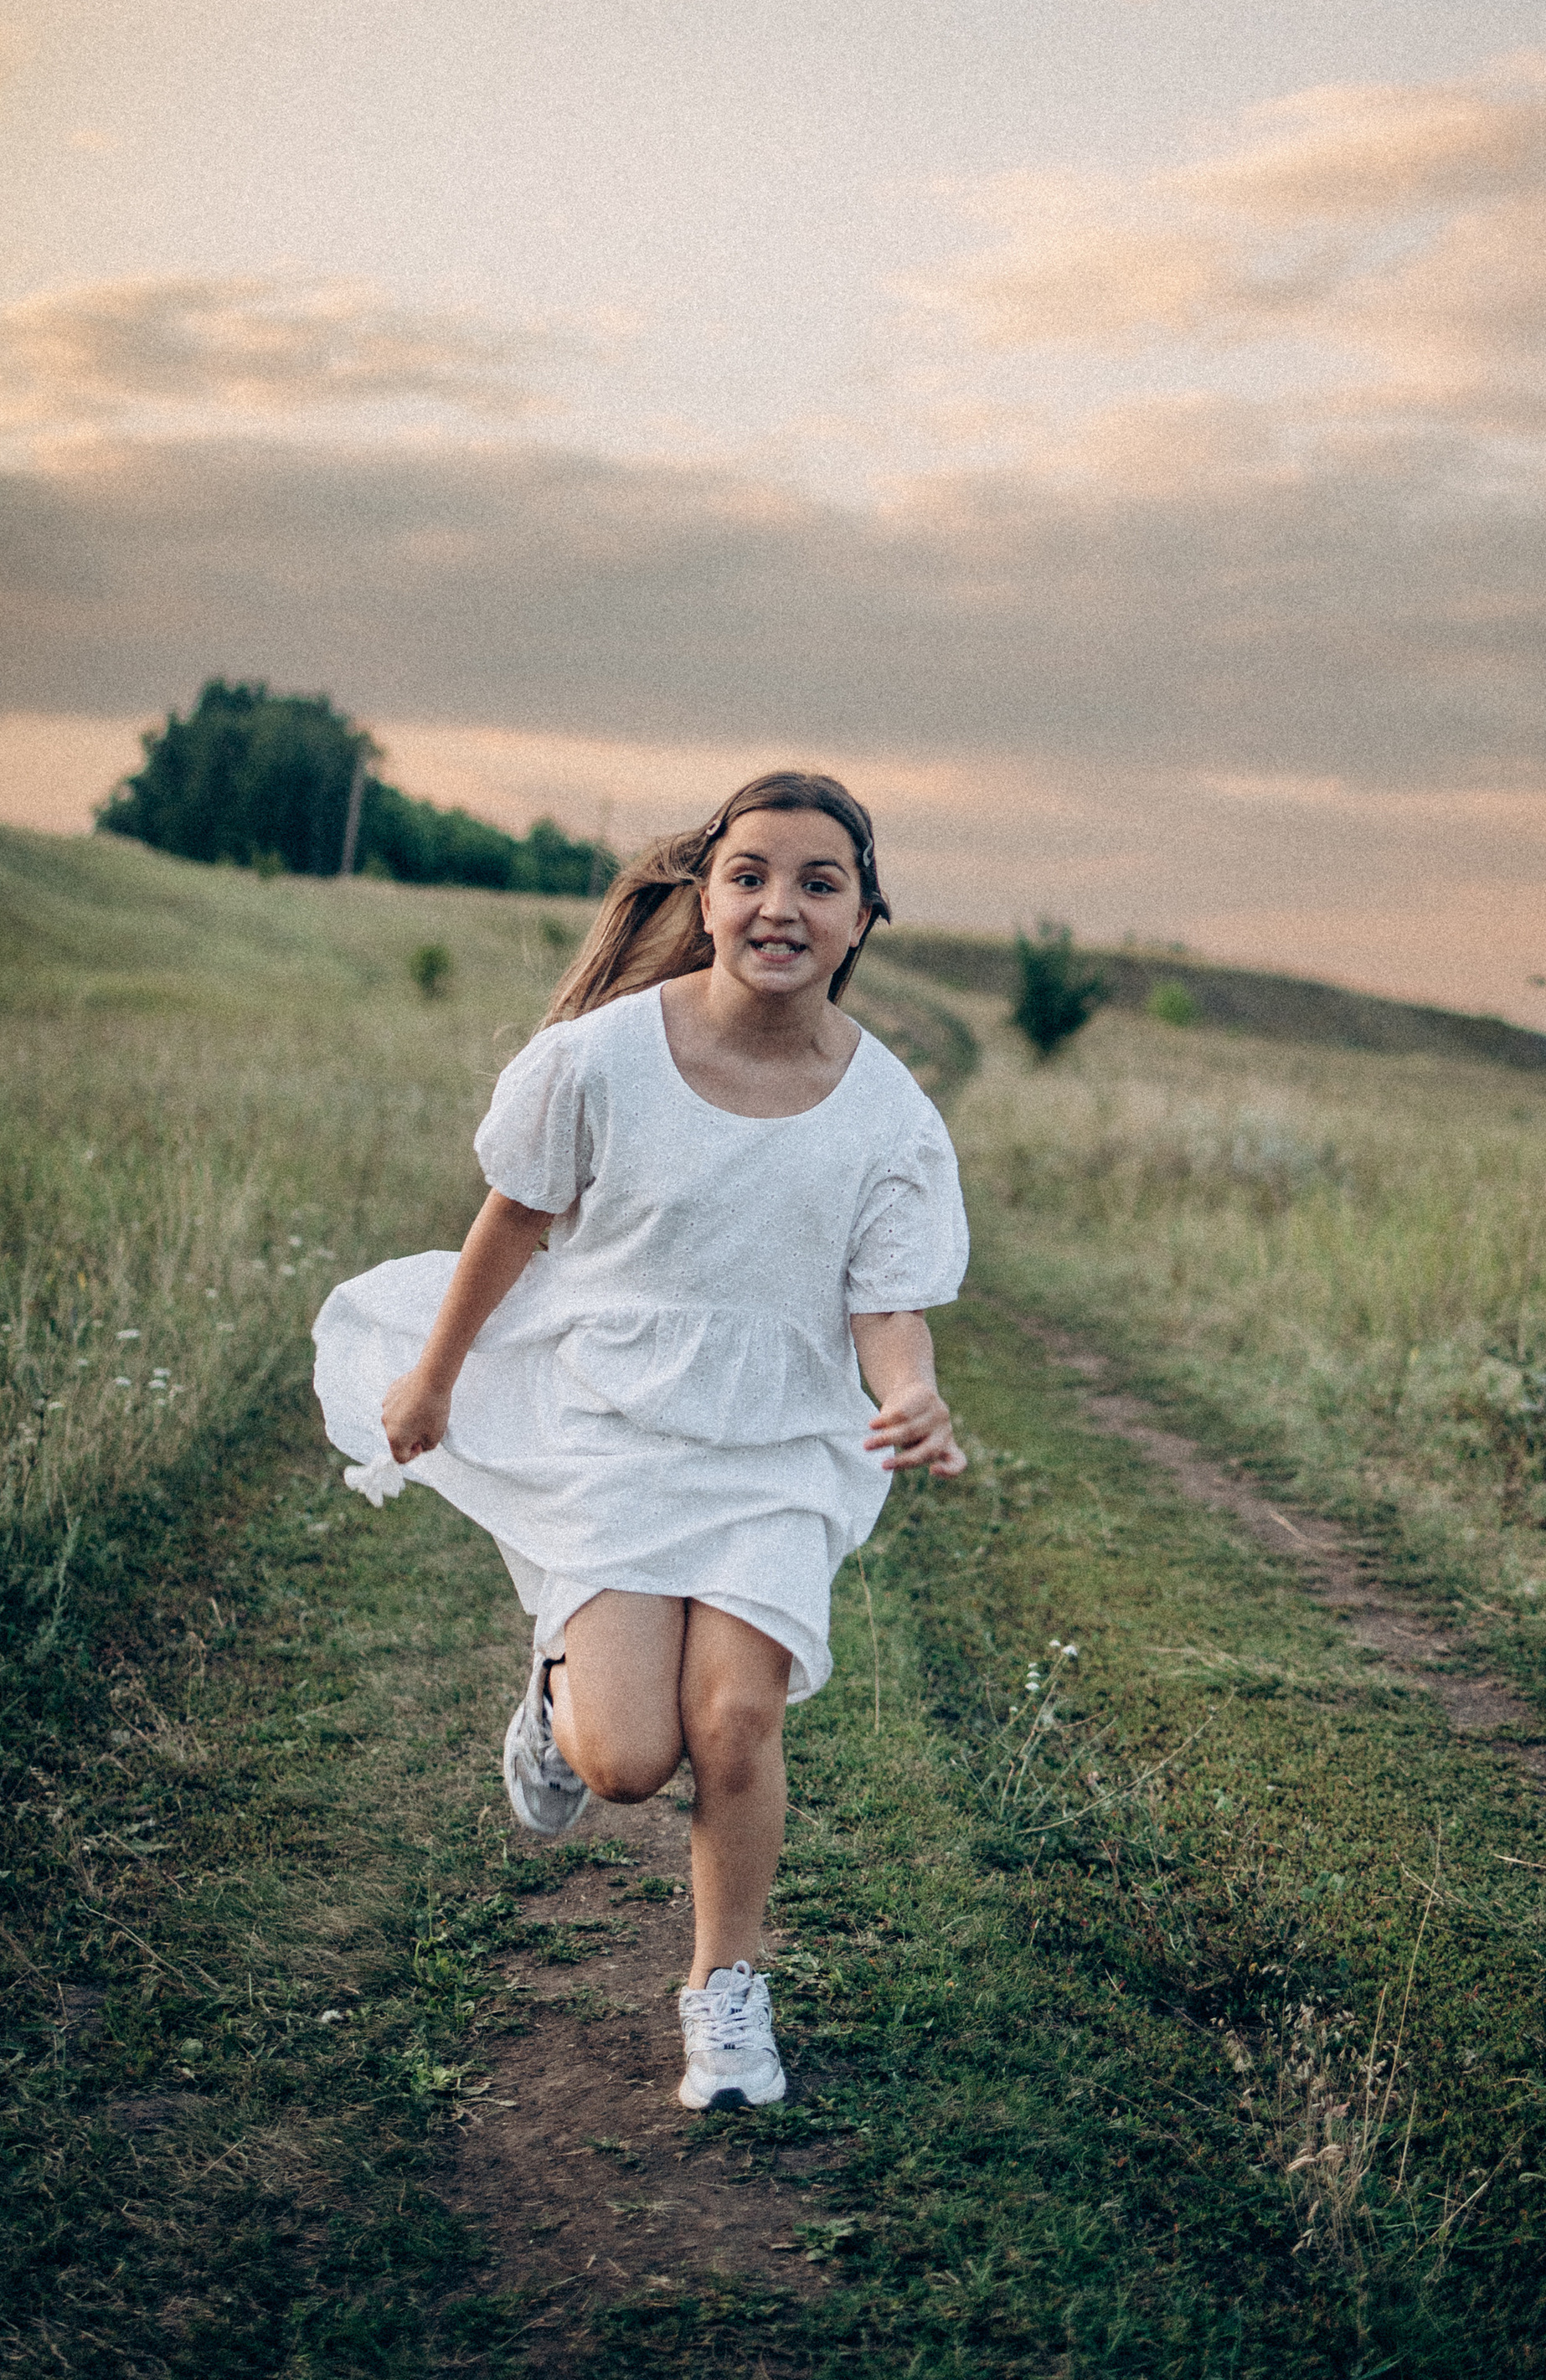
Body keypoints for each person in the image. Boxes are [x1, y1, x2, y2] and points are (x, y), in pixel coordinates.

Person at [312, 770, 968, 2113]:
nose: (780, 904)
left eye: (819, 883)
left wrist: (911, 1396)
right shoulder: (604, 1057)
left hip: (781, 1448)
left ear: (861, 919)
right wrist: (434, 1378)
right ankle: (557, 1715)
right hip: (617, 1423)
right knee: (625, 1761)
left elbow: (885, 1306)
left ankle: (725, 1998)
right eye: (752, 876)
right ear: (709, 897)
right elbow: (513, 1221)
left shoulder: (890, 1112)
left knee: (735, 1718)